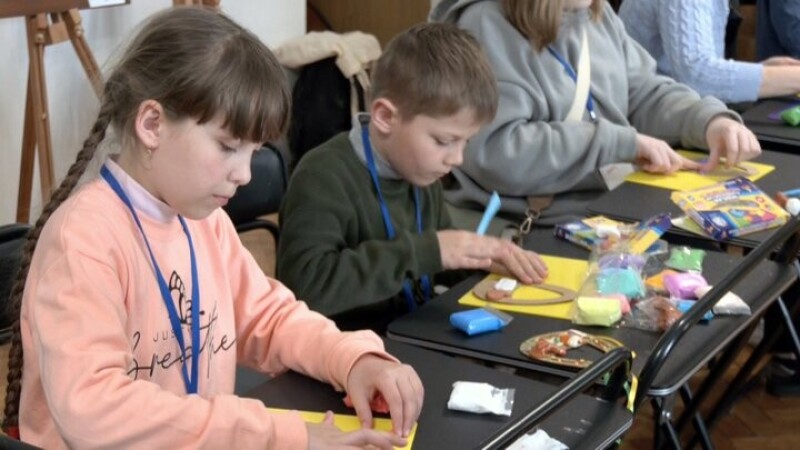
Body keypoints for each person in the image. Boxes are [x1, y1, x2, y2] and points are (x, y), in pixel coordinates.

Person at [2, 7, 423, 449]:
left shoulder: (205, 222)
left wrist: (351, 358)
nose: (245, 173)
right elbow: (95, 411)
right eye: (228, 146)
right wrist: (275, 436)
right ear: (152, 125)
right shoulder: (83, 240)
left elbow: (268, 318)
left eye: (254, 151)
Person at [277, 22, 549, 333]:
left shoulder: (420, 170)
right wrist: (430, 250)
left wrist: (483, 261)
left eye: (466, 142)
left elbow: (434, 262)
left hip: (412, 332)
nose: (456, 159)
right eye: (444, 141)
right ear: (385, 117)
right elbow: (306, 289)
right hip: (345, 349)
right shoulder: (322, 176)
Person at [429, 0, 762, 225]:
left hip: (608, 208)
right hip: (533, 225)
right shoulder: (485, 25)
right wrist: (618, 143)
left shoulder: (594, 15)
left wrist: (708, 120)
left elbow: (644, 92)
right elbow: (497, 153)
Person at [619, 0, 800, 104]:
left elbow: (699, 69)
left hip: (672, 116)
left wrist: (761, 71)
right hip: (649, 131)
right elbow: (697, 76)